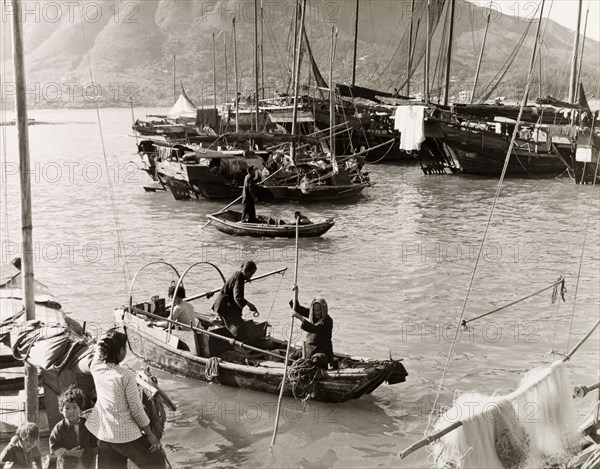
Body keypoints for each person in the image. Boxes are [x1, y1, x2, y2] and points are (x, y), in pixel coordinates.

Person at [85, 330, 165, 469]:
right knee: (156, 459)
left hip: (104, 434)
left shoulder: (96, 367)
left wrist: (103, 340)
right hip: (125, 435)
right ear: (120, 351)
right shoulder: (126, 376)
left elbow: (99, 348)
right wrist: (151, 436)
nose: (126, 350)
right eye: (125, 348)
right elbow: (136, 410)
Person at [49, 385, 97, 469]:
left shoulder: (88, 424)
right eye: (67, 408)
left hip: (87, 463)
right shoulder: (59, 428)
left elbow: (94, 443)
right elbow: (53, 447)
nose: (71, 411)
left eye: (75, 407)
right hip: (67, 464)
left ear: (80, 409)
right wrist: (69, 452)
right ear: (61, 410)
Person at [212, 261, 258, 342]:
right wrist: (249, 304)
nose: (251, 276)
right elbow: (238, 297)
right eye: (251, 274)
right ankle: (237, 347)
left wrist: (246, 278)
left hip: (227, 306)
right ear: (246, 271)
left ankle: (233, 341)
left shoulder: (238, 275)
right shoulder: (239, 278)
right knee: (237, 330)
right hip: (225, 307)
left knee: (241, 326)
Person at [291, 297, 334, 368]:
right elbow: (297, 308)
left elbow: (314, 328)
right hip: (309, 348)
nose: (316, 312)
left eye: (319, 310)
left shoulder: (328, 321)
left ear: (323, 309)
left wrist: (300, 318)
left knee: (315, 360)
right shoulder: (312, 314)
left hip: (321, 350)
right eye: (314, 310)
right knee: (291, 357)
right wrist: (296, 293)